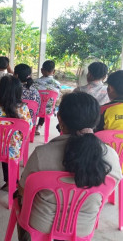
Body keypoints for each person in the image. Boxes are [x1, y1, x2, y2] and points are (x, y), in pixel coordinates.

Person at [18, 92, 122, 240]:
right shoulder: (111, 157)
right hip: (83, 227)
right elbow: (107, 192)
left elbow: (23, 190)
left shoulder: (41, 154)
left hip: (42, 224)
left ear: (60, 119)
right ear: (96, 120)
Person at [0, 75, 33, 190]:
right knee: (7, 147)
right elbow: (28, 129)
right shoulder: (23, 109)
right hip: (14, 150)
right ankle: (10, 180)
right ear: (19, 92)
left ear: (0, 90)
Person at [32, 60, 61, 135]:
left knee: (38, 104)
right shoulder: (57, 84)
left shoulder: (34, 82)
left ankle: (32, 126)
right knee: (47, 104)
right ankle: (39, 126)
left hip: (35, 108)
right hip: (48, 109)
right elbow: (56, 98)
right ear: (54, 71)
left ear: (42, 70)